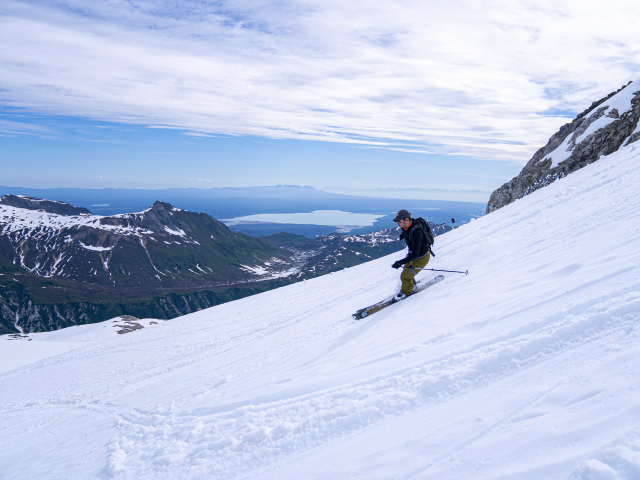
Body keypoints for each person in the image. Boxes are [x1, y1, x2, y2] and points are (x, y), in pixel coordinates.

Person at [391, 209, 431, 302]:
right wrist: (404, 235)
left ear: (406, 220)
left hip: (421, 258)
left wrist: (399, 262)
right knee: (406, 271)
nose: (398, 224)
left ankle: (406, 292)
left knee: (405, 276)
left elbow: (415, 254)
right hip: (416, 255)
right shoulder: (409, 226)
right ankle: (412, 285)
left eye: (399, 221)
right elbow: (408, 231)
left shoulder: (416, 232)